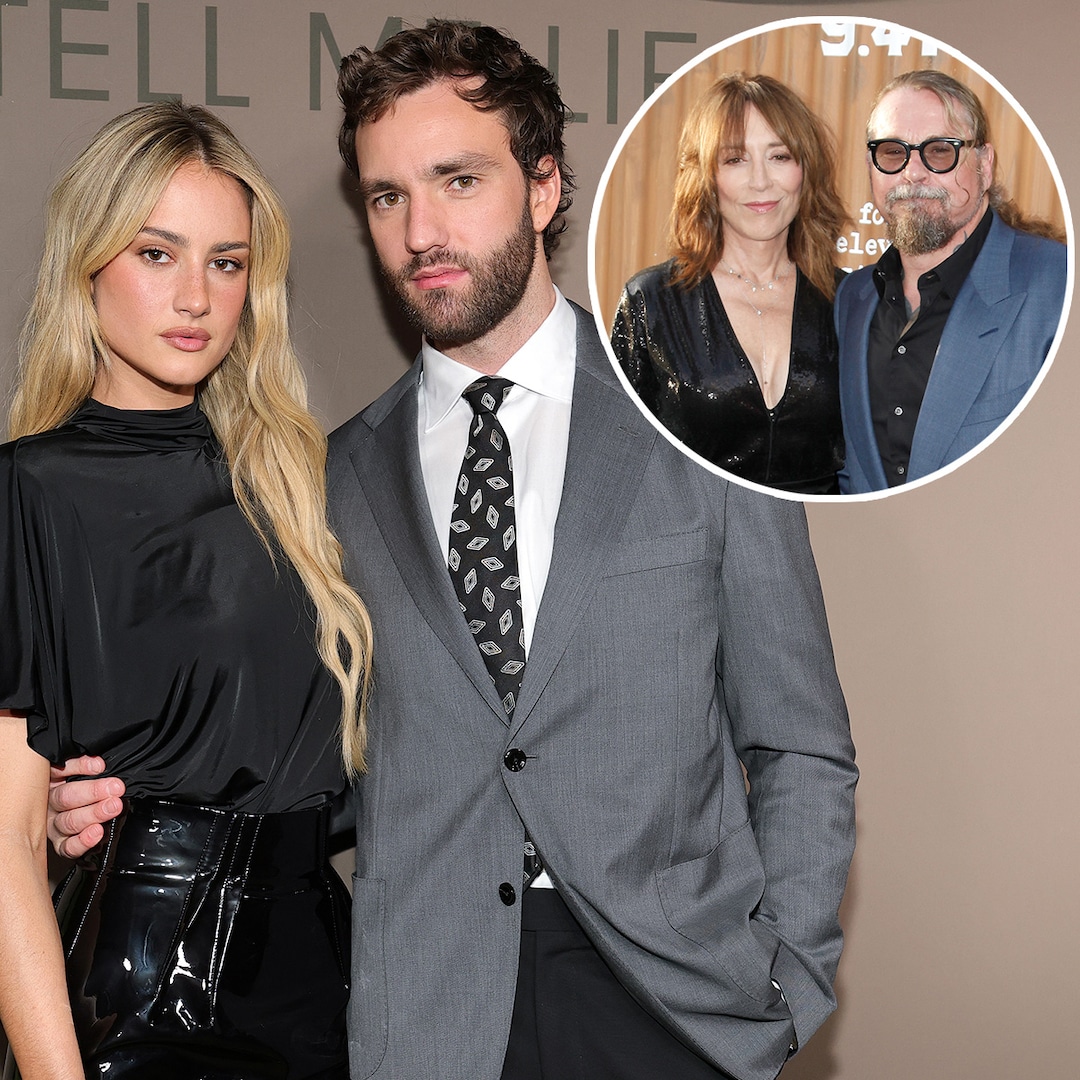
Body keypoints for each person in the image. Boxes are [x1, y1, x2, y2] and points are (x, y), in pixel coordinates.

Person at [48, 22, 857, 1080]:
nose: (421, 231)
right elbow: (310, 773)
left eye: (458, 181)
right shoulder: (324, 483)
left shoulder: (707, 431)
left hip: (676, 1004)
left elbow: (799, 744)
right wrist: (115, 800)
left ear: (544, 187)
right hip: (425, 1015)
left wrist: (783, 982)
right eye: (388, 197)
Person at [0, 102, 372, 1078]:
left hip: (325, 977)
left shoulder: (300, 485)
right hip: (143, 989)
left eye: (227, 262)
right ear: (89, 262)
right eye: (157, 254)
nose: (196, 297)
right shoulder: (31, 493)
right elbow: (5, 847)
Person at [610, 73, 848, 495]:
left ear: (806, 169)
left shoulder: (853, 302)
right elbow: (616, 458)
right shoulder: (651, 302)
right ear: (707, 175)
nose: (760, 181)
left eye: (779, 156)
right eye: (736, 159)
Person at [835, 68, 1067, 494]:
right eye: (892, 152)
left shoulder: (1058, 285)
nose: (912, 174)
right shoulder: (852, 297)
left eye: (939, 151)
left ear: (984, 165)